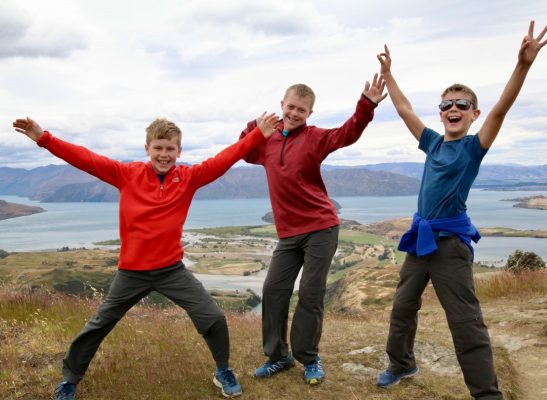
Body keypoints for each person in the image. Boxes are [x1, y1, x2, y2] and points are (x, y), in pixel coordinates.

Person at [13, 113, 279, 399]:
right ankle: (70, 379)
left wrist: (258, 135)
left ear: (179, 151)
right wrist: (44, 138)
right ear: (147, 149)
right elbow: (85, 158)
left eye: (170, 149)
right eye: (158, 148)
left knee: (213, 317)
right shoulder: (127, 174)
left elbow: (225, 158)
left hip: (172, 270)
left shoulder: (188, 178)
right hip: (132, 272)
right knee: (99, 324)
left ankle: (222, 370)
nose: (164, 155)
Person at [375, 21, 547, 399]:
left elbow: (502, 111)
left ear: (473, 113)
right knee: (402, 309)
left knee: (465, 322)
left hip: (450, 246)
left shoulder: (473, 147)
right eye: (447, 105)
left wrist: (523, 65)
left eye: (462, 105)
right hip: (420, 242)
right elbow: (404, 109)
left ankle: (486, 394)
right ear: (440, 114)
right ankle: (402, 364)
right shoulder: (433, 143)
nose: (453, 108)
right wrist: (389, 75)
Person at [239, 77, 387, 385]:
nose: (294, 113)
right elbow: (245, 151)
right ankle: (279, 356)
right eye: (291, 107)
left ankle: (309, 357)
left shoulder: (315, 138)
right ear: (282, 105)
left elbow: (347, 133)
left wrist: (367, 104)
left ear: (309, 114)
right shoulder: (268, 140)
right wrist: (253, 126)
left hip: (321, 227)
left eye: (302, 110)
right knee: (273, 291)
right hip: (288, 234)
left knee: (310, 294)